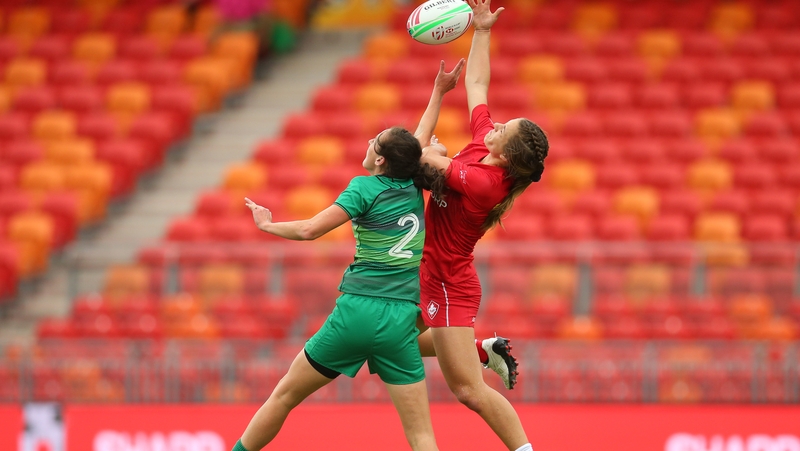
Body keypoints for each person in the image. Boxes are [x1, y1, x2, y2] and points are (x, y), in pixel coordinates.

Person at [230, 60, 467, 451]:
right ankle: (477, 350)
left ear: (380, 160)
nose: (368, 142)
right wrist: (440, 91)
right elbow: (419, 139)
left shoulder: (363, 188)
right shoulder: (413, 180)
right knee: (422, 436)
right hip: (401, 319)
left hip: (355, 313)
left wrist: (268, 226)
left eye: (374, 141)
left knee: (284, 397)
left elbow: (310, 230)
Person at [411, 1, 550, 451]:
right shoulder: (483, 147)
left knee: (468, 391)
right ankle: (479, 351)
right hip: (426, 273)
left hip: (449, 283)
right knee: (384, 349)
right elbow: (477, 81)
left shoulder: (488, 181)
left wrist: (433, 148)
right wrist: (484, 31)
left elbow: (424, 160)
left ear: (506, 154)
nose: (496, 123)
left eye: (503, 127)